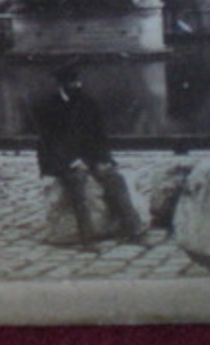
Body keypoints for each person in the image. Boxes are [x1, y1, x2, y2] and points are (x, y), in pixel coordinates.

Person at [29, 66, 147, 247]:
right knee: (77, 182)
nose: (76, 86)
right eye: (71, 83)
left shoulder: (87, 102)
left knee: (114, 178)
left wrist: (103, 159)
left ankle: (133, 230)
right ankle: (87, 237)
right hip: (60, 159)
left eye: (77, 82)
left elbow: (99, 136)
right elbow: (49, 142)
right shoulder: (47, 107)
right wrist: (72, 161)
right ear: (61, 85)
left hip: (87, 155)